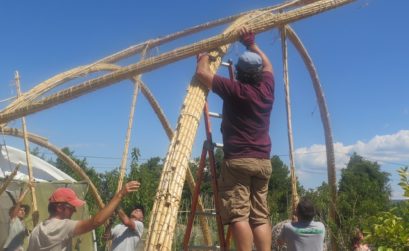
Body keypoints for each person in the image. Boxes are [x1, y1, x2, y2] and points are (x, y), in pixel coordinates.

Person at [196, 26, 274, 251]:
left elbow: (202, 73)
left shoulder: (235, 89)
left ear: (237, 72)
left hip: (239, 160)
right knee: (260, 215)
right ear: (259, 74)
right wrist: (251, 44)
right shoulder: (267, 89)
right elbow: (268, 66)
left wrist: (205, 55)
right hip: (263, 161)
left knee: (239, 214)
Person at [27, 181, 140, 251]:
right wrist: (120, 194)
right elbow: (96, 222)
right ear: (60, 207)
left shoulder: (37, 230)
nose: (74, 211)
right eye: (72, 207)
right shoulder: (62, 226)